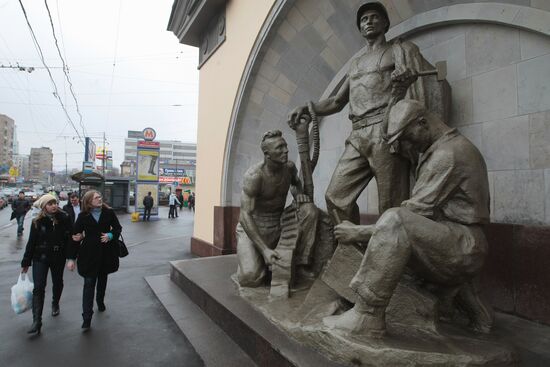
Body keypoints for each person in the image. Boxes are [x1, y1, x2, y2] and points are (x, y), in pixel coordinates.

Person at [323, 100, 493, 337]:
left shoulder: (448, 154)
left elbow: (409, 217)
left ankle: (367, 315)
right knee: (401, 236)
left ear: (422, 123)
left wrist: (357, 232)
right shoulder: (446, 148)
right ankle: (477, 314)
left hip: (463, 246)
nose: (403, 147)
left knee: (396, 220)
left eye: (405, 137)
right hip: (463, 242)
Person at [289, 1, 428, 225]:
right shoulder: (355, 64)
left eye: (374, 17)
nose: (369, 21)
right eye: (364, 19)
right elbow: (336, 101)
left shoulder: (398, 51)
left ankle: (391, 256)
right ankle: (351, 251)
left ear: (385, 23)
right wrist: (307, 107)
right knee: (335, 197)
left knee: (390, 205)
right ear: (360, 28)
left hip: (385, 131)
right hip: (357, 136)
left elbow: (416, 90)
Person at [236, 130, 318, 286]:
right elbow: (244, 216)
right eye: (280, 148)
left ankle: (301, 263)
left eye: (285, 146)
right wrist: (264, 249)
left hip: (279, 224)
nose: (286, 150)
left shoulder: (289, 168)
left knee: (310, 210)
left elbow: (295, 185)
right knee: (250, 278)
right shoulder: (254, 176)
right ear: (267, 154)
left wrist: (298, 194)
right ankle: (253, 258)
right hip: (254, 228)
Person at [67, 190, 122, 330]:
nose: (99, 199)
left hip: (105, 253)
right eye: (96, 197)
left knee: (102, 280)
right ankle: (86, 317)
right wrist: (71, 258)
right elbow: (75, 236)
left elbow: (117, 228)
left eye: (100, 197)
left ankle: (100, 300)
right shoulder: (83, 215)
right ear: (89, 201)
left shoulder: (108, 212)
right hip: (88, 255)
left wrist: (110, 235)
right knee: (89, 284)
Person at [20, 194, 72, 334]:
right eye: (50, 204)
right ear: (44, 206)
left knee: (57, 282)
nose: (53, 206)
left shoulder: (64, 218)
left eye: (54, 202)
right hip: (40, 258)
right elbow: (31, 242)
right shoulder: (37, 221)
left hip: (58, 256)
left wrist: (71, 257)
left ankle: (55, 303)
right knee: (39, 287)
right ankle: (37, 321)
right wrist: (26, 261)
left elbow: (70, 238)